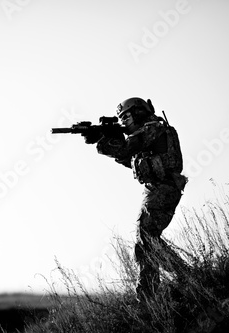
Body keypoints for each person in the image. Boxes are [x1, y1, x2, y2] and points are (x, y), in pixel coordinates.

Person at [82, 97, 189, 301]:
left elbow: (126, 149)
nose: (123, 122)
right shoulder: (148, 134)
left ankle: (149, 296)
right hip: (157, 188)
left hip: (164, 187)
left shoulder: (152, 129)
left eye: (126, 116)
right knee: (148, 239)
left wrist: (103, 140)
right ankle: (183, 276)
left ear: (139, 112)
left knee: (146, 239)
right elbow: (129, 160)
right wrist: (107, 139)